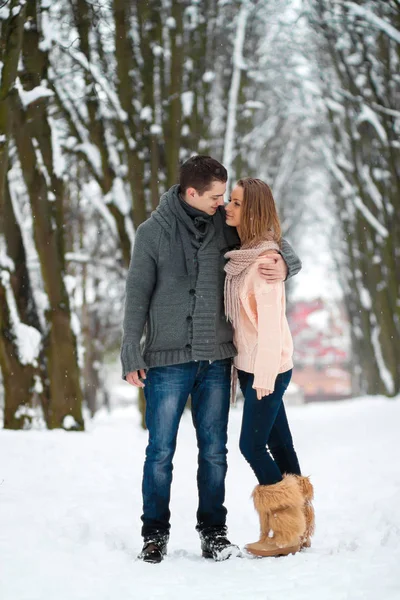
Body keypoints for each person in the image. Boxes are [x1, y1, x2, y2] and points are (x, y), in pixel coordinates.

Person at [121, 156, 302, 563]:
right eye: (216, 197)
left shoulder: (224, 224)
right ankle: (154, 533)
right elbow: (136, 295)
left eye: (226, 198)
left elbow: (265, 236)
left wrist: (284, 261)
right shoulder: (153, 233)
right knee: (160, 452)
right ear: (191, 193)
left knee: (214, 451)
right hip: (167, 360)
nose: (223, 204)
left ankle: (213, 532)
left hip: (218, 359)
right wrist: (131, 348)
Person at [224, 177, 315, 558]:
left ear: (254, 211)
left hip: (267, 369)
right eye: (229, 199)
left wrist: (262, 378)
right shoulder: (249, 251)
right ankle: (303, 525)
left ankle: (284, 530)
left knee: (251, 445)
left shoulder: (263, 262)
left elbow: (273, 326)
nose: (228, 206)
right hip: (254, 366)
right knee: (279, 444)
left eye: (237, 202)